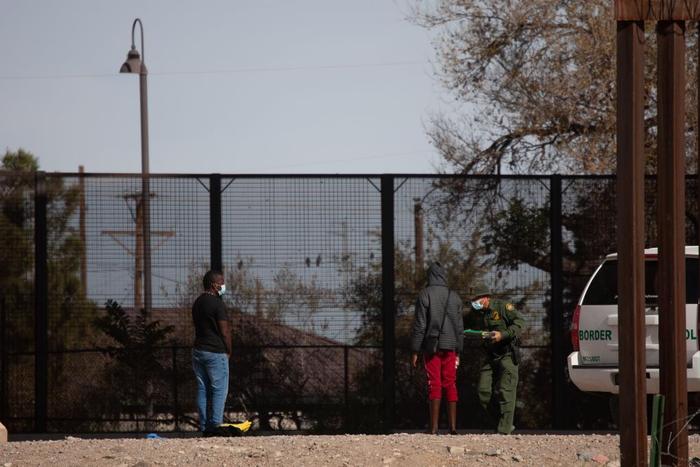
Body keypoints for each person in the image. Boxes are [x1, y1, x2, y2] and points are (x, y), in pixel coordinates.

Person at [410, 261, 464, 434]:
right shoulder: (454, 296)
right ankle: (453, 427)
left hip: (432, 347)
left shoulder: (424, 294)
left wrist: (415, 350)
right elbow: (460, 328)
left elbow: (420, 326)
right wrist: (459, 350)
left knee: (434, 383)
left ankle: (433, 428)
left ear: (430, 276)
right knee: (450, 383)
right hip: (451, 346)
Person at [464, 290, 524, 434]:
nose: (474, 303)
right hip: (491, 355)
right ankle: (502, 422)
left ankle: (504, 430)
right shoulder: (476, 313)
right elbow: (467, 326)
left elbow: (520, 323)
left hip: (507, 354)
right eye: (472, 301)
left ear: (485, 298)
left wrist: (502, 335)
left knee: (506, 391)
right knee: (483, 391)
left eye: (476, 300)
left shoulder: (503, 307)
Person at [192, 270, 232, 436]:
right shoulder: (217, 304)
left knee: (202, 388)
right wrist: (229, 349)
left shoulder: (197, 303)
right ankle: (215, 425)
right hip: (215, 352)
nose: (224, 286)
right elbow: (224, 331)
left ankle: (203, 426)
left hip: (198, 350)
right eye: (222, 282)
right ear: (215, 285)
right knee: (219, 389)